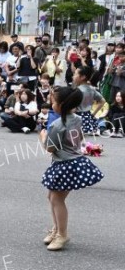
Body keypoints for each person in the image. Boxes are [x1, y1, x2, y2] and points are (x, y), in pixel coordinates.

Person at [39, 87, 104, 251]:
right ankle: (56, 229)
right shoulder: (77, 118)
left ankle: (62, 234)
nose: (51, 103)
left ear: (61, 105)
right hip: (74, 162)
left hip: (65, 164)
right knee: (52, 197)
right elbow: (80, 137)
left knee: (57, 199)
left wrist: (43, 138)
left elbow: (50, 149)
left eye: (53, 101)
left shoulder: (56, 125)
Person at [73, 66, 106, 135]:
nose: (73, 76)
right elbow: (102, 101)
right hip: (88, 117)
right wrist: (93, 114)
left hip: (77, 118)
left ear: (83, 77)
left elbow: (74, 108)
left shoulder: (77, 91)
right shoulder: (91, 89)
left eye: (75, 74)